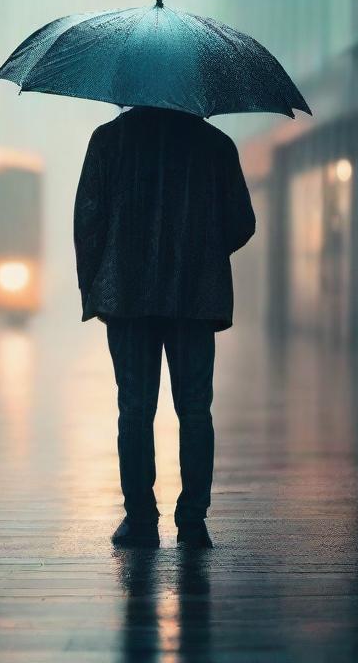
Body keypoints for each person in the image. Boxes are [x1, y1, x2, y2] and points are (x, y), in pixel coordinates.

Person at [74, 106, 255, 549]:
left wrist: (98, 285)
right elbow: (242, 223)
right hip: (195, 298)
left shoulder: (107, 141)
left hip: (128, 299)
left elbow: (88, 221)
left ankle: (140, 520)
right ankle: (193, 522)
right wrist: (204, 248)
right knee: (195, 409)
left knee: (134, 409)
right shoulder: (215, 145)